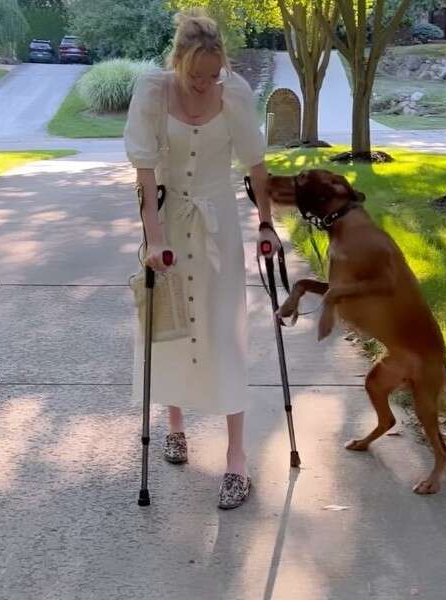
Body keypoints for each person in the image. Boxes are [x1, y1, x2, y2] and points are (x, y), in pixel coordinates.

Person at [123, 9, 279, 510]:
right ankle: (174, 425)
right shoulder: (153, 92)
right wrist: (153, 239)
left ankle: (237, 459)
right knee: (171, 323)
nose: (205, 83)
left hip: (218, 228)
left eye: (213, 74)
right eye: (196, 75)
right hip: (169, 223)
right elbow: (146, 175)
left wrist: (266, 224)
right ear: (178, 62)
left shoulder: (234, 93)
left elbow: (256, 165)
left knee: (224, 334)